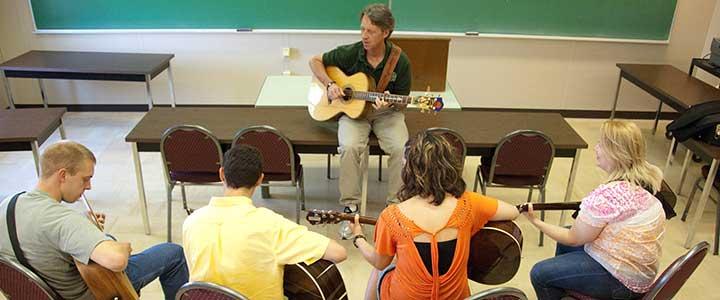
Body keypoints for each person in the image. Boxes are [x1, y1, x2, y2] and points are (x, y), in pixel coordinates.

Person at [0, 140, 188, 300]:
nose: (88, 186)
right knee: (172, 253)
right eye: (85, 179)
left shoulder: (7, 203)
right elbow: (117, 260)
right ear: (63, 175)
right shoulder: (63, 220)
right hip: (86, 291)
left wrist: (87, 229)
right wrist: (122, 247)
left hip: (37, 290)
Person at [350, 131, 520, 299]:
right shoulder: (469, 204)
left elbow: (379, 262)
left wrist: (358, 238)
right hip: (457, 297)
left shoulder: (392, 216)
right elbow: (513, 211)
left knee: (382, 266)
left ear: (408, 169)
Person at [182, 144, 347, 300]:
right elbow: (338, 253)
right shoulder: (270, 224)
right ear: (260, 179)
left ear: (222, 174)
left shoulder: (191, 222)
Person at [524, 120, 665, 300]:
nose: (596, 148)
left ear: (616, 153)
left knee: (540, 273)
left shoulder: (607, 196)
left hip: (621, 282)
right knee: (565, 239)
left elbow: (574, 239)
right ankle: (565, 291)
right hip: (638, 270)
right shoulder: (646, 182)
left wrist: (536, 221)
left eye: (601, 144)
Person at [309, 3, 412, 238]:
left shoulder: (400, 61)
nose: (364, 36)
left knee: (401, 148)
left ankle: (394, 208)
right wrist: (330, 84)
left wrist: (391, 102)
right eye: (362, 29)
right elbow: (314, 61)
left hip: (386, 114)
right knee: (349, 147)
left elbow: (404, 100)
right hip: (354, 114)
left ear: (385, 33)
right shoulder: (351, 52)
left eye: (371, 31)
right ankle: (350, 209)